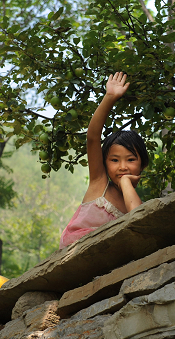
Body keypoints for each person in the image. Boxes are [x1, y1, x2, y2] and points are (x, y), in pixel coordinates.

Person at [59, 72, 149, 249]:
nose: (123, 167)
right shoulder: (100, 183)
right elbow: (93, 137)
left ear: (142, 164)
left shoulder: (137, 203)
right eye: (114, 160)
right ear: (105, 164)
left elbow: (139, 219)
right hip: (78, 250)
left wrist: (126, 184)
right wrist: (110, 97)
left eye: (130, 159)